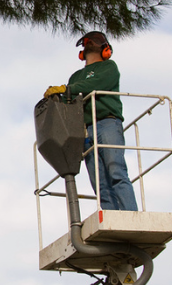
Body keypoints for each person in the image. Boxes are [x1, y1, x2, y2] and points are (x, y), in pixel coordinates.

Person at [44, 31, 138, 211]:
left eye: (94, 41)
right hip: (85, 130)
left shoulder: (109, 67)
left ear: (105, 50)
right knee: (99, 181)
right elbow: (69, 104)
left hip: (108, 123)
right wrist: (56, 99)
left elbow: (93, 84)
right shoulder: (76, 77)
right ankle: (111, 216)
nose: (91, 44)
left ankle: (131, 214)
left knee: (116, 170)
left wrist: (66, 89)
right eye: (89, 42)